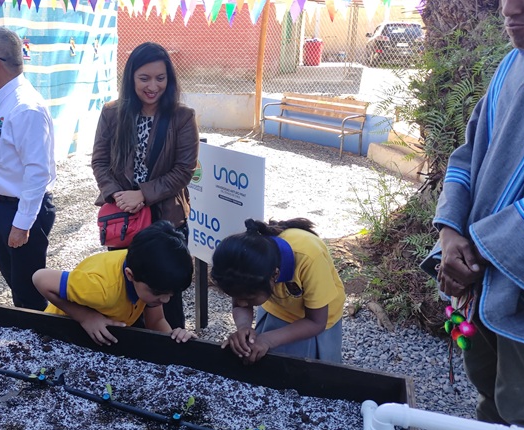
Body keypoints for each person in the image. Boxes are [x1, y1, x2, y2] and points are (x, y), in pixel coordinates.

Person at [432, 0, 524, 428]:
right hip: (483, 274)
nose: (510, 8)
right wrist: (451, 234)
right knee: (490, 406)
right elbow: (469, 152)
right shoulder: (512, 65)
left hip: (522, 291)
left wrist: (478, 248)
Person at [91, 42, 199, 329]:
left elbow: (184, 170)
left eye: (160, 78)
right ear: (131, 78)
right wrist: (116, 195)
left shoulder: (182, 117)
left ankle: (173, 349)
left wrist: (143, 194)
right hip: (124, 218)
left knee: (166, 293)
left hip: (166, 219)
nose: (153, 86)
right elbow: (100, 161)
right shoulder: (112, 113)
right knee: (127, 287)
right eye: (145, 78)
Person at [0, 27, 56, 310]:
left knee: (28, 291)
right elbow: (3, 155)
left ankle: (39, 342)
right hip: (4, 204)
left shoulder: (25, 108)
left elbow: (38, 172)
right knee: (13, 276)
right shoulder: (5, 100)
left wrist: (22, 224)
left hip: (23, 209)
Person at [33, 220, 195, 345]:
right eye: (158, 293)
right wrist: (86, 317)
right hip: (59, 333)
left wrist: (175, 339)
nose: (165, 300)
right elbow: (40, 278)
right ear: (130, 275)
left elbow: (156, 321)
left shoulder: (149, 272)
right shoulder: (102, 288)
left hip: (97, 334)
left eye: (170, 294)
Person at [210, 218, 345, 364]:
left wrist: (268, 339)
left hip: (317, 319)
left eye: (248, 298)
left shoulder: (309, 257)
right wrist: (243, 328)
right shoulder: (242, 267)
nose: (242, 303)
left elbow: (316, 322)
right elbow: (241, 302)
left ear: (275, 275)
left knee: (311, 374)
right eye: (236, 296)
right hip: (276, 310)